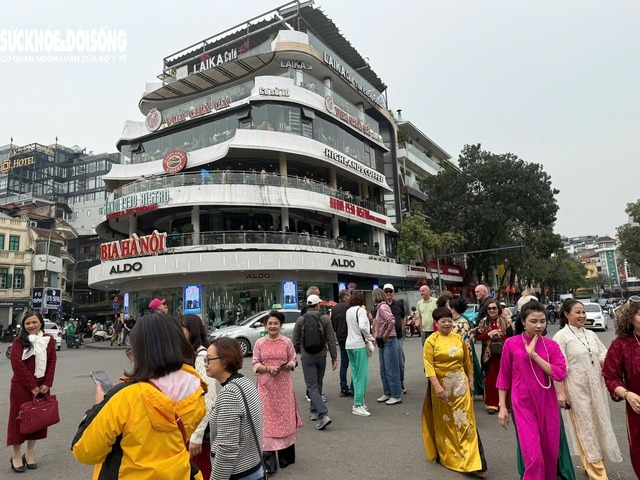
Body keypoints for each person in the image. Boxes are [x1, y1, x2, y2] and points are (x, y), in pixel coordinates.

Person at [72, 313, 206, 479]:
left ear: (142, 351)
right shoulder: (196, 388)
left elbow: (85, 451)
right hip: (177, 473)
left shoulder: (126, 397)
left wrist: (99, 405)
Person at [497, 300, 569, 480]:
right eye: (533, 321)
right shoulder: (511, 344)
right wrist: (502, 407)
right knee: (534, 458)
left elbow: (560, 373)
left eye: (542, 321)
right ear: (523, 321)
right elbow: (504, 376)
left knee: (550, 455)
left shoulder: (551, 345)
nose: (539, 325)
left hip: (548, 404)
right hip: (523, 405)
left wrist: (534, 355)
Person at [553, 299, 622, 479]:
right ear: (566, 314)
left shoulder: (590, 334)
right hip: (575, 389)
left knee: (598, 424)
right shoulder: (560, 337)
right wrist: (561, 393)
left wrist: (607, 363)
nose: (582, 316)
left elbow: (603, 353)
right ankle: (598, 473)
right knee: (585, 428)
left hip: (595, 387)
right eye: (578, 312)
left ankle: (593, 463)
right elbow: (559, 368)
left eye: (583, 312)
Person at [421, 307, 488, 478]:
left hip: (461, 388)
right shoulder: (431, 341)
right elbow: (429, 367)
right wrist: (437, 387)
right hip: (442, 390)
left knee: (466, 423)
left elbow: (468, 361)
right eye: (443, 321)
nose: (447, 324)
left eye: (449, 321)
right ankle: (448, 455)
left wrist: (471, 381)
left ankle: (473, 462)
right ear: (436, 324)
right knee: (446, 425)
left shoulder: (458, 338)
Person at [252, 311, 303, 474]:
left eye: (276, 323)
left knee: (284, 418)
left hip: (284, 386)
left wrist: (288, 365)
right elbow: (255, 364)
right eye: (270, 323)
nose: (273, 326)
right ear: (265, 325)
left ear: (280, 325)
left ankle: (285, 458)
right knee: (266, 420)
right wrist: (268, 368)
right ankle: (268, 463)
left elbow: (293, 359)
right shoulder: (259, 343)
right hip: (265, 387)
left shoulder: (287, 342)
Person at [7, 311, 57, 473]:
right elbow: (18, 366)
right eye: (27, 323)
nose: (31, 326)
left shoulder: (48, 340)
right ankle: (16, 455)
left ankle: (29, 454)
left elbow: (51, 362)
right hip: (21, 387)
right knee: (19, 420)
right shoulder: (18, 341)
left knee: (37, 420)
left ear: (40, 323)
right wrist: (32, 386)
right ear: (24, 325)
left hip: (42, 387)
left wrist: (47, 383)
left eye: (34, 322)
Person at [207, 338, 264, 480]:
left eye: (208, 359)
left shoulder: (229, 393)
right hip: (253, 466)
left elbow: (227, 448)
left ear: (225, 361)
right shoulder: (244, 382)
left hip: (238, 473)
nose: (205, 364)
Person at [602, 299, 640, 478]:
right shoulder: (621, 345)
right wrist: (627, 394)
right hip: (637, 409)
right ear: (630, 318)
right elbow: (610, 376)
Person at [179, 314, 220, 480]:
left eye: (181, 329)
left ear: (192, 331)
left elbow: (208, 398)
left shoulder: (201, 355)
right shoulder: (188, 353)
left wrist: (197, 436)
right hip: (190, 425)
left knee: (201, 471)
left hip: (201, 430)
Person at [292, 294, 338, 430]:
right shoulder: (325, 319)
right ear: (318, 305)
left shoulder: (301, 319)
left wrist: (293, 357)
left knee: (311, 386)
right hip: (321, 356)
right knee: (318, 383)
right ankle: (314, 411)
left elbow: (295, 340)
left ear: (307, 305)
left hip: (307, 356)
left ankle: (322, 414)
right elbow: (331, 340)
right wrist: (334, 358)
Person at [476, 298, 513, 413]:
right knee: (491, 379)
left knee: (506, 378)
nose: (492, 311)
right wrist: (489, 334)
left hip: (504, 355)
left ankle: (506, 404)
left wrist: (500, 336)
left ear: (498, 309)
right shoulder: (483, 322)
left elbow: (512, 339)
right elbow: (478, 337)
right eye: (489, 308)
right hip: (489, 355)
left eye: (494, 308)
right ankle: (492, 404)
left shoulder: (506, 321)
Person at [345, 290, 375, 416]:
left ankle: (359, 403)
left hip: (349, 345)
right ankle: (358, 404)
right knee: (362, 376)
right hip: (359, 345)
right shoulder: (361, 311)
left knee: (356, 375)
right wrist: (370, 337)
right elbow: (363, 326)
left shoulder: (348, 311)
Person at [372, 288, 402, 405]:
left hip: (389, 340)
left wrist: (385, 334)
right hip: (384, 340)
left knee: (391, 369)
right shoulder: (380, 307)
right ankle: (388, 392)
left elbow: (391, 320)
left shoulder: (383, 307)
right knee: (384, 368)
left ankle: (395, 394)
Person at [449, 299, 483, 395]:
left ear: (453, 310)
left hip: (462, 353)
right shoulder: (451, 321)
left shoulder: (462, 322)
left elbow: (465, 341)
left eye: (449, 307)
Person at [382, 283, 407, 393]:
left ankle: (400, 384)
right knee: (387, 365)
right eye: (386, 291)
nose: (388, 293)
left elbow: (403, 317)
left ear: (393, 293)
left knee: (400, 363)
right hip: (387, 338)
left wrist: (402, 328)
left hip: (398, 337)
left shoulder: (398, 304)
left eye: (390, 291)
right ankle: (390, 388)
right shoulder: (381, 306)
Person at [331, 289, 353, 397]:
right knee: (354, 362)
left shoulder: (334, 308)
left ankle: (343, 387)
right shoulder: (348, 307)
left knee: (344, 363)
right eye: (349, 295)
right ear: (346, 297)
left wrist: (338, 332)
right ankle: (353, 387)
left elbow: (333, 323)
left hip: (340, 337)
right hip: (350, 337)